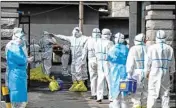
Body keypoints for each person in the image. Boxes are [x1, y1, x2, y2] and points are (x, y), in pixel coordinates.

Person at [45, 27, 88, 92]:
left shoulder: (84, 38)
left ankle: (81, 84)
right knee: (73, 71)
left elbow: (91, 39)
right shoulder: (72, 38)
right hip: (74, 58)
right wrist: (55, 35)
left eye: (76, 33)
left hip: (80, 58)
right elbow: (63, 37)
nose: (75, 34)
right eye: (74, 33)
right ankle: (75, 83)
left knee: (78, 71)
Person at [145, 30, 175, 108]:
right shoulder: (169, 48)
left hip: (154, 71)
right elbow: (172, 62)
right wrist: (172, 72)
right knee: (165, 93)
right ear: (165, 37)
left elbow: (148, 62)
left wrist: (147, 72)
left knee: (152, 92)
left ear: (156, 38)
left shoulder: (152, 48)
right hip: (165, 72)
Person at [5, 27, 30, 108]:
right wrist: (27, 60)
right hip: (16, 71)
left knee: (16, 89)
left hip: (17, 70)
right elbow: (19, 59)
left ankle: (16, 105)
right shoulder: (13, 45)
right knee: (16, 91)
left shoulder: (17, 44)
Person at [107, 32, 129, 108]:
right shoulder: (126, 49)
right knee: (124, 91)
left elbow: (109, 59)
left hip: (114, 72)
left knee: (115, 91)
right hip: (124, 72)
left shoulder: (112, 48)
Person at [126, 33, 147, 108]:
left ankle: (137, 104)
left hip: (136, 72)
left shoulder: (133, 49)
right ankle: (144, 105)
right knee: (145, 90)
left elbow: (130, 62)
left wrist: (129, 73)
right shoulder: (148, 48)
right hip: (146, 72)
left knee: (136, 90)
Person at [95, 28, 114, 103]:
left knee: (100, 80)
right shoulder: (110, 43)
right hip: (107, 62)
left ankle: (99, 97)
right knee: (109, 81)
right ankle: (111, 97)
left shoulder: (98, 42)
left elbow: (96, 52)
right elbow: (112, 54)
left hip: (100, 62)